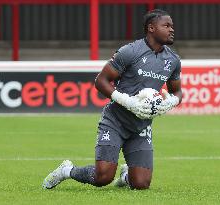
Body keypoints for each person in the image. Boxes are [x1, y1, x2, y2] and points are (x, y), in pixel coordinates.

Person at [42, 9, 182, 190]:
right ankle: (67, 170)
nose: (172, 29)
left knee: (141, 184)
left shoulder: (173, 59)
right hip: (115, 121)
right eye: (167, 25)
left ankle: (125, 176)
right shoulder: (130, 51)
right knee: (103, 177)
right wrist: (128, 102)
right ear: (151, 28)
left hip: (141, 126)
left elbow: (177, 91)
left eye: (172, 26)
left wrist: (171, 102)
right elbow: (101, 81)